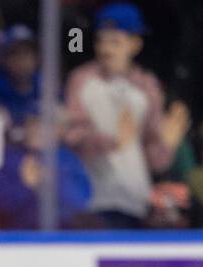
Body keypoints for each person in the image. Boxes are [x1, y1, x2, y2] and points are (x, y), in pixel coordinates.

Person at [62, 2, 174, 228]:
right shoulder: (82, 80)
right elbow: (72, 135)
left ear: (134, 44)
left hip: (135, 199)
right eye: (101, 40)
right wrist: (111, 141)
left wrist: (168, 145)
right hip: (92, 198)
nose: (106, 49)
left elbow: (155, 159)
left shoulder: (147, 87)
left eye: (115, 42)